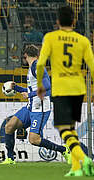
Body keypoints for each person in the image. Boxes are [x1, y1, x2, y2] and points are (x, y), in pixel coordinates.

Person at [36, 6, 94, 177]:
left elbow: (40, 64)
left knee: (63, 129)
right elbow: (92, 65)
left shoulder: (51, 37)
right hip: (78, 88)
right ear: (74, 22)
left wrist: (39, 84)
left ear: (58, 21)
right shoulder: (82, 40)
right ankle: (76, 168)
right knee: (71, 128)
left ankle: (85, 159)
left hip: (61, 88)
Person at [1, 45, 70, 165]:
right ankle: (10, 159)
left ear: (25, 55)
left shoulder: (37, 66)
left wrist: (31, 94)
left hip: (41, 108)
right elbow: (32, 89)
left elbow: (47, 86)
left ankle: (64, 150)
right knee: (9, 126)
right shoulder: (33, 67)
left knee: (34, 139)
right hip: (31, 106)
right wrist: (16, 88)